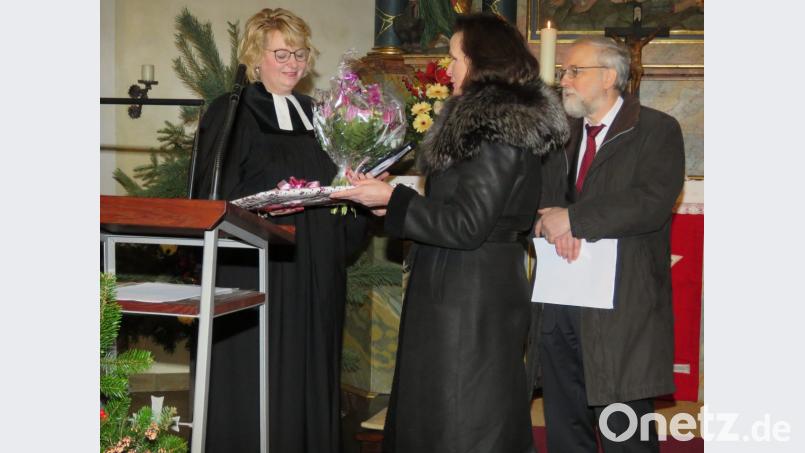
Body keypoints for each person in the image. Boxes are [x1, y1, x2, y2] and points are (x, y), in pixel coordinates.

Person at [331, 13, 569, 453]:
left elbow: (467, 225)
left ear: (480, 61)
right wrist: (388, 200)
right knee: (448, 413)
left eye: (455, 57)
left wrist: (395, 200)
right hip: (464, 285)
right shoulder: (489, 124)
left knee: (462, 420)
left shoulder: (495, 129)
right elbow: (459, 211)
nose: (448, 68)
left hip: (469, 295)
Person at [190, 8, 367, 453]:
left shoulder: (321, 115)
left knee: (311, 367)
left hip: (316, 268)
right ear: (255, 56)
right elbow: (214, 197)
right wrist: (268, 206)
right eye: (281, 54)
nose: (293, 63)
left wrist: (358, 188)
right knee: (261, 373)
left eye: (300, 53)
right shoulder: (231, 112)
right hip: (260, 267)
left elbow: (336, 189)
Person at [534, 36, 685, 453]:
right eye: (563, 71)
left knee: (624, 434)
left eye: (574, 71)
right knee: (566, 429)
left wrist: (574, 220)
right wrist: (546, 223)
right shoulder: (557, 134)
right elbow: (537, 197)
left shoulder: (656, 129)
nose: (563, 80)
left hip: (620, 307)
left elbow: (651, 202)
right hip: (560, 300)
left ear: (609, 77)